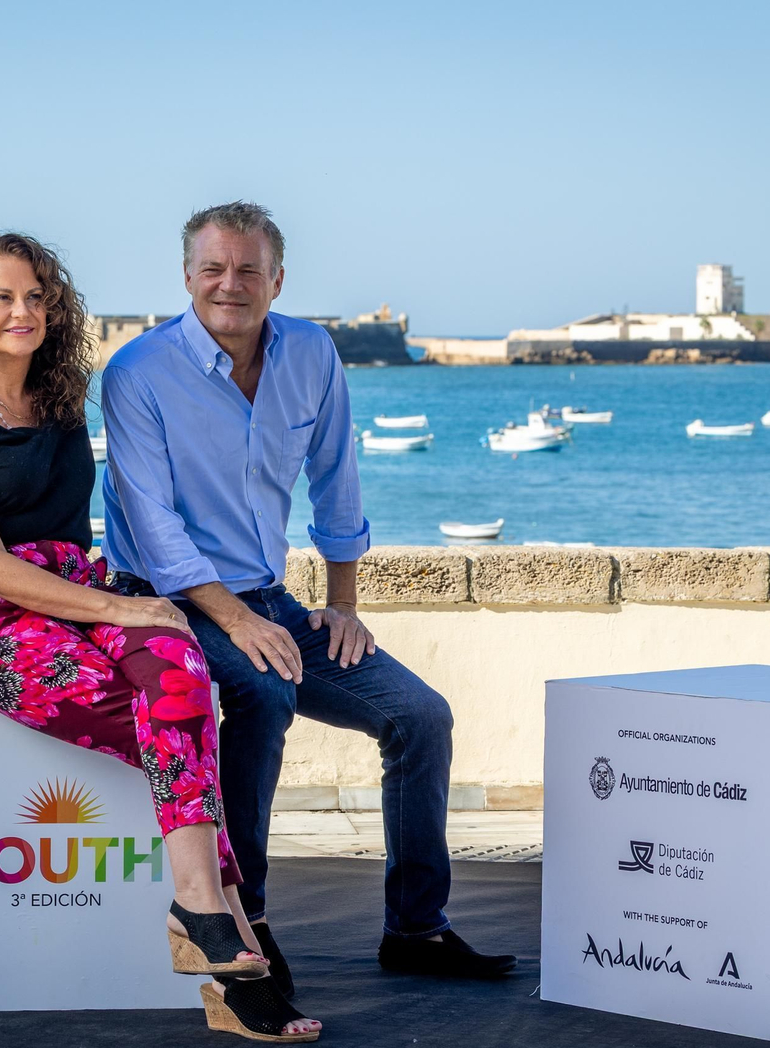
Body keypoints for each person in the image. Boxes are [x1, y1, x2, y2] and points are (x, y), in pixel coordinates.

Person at [0, 230, 320, 1042]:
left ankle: (201, 915)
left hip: (73, 592)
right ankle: (229, 922)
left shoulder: (60, 404)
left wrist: (123, 606)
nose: (23, 310)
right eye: (3, 296)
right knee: (169, 725)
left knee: (179, 671)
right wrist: (124, 607)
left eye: (35, 294)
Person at [101, 202, 517, 989]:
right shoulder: (135, 374)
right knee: (261, 691)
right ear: (186, 277)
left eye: (249, 269)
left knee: (420, 716)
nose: (232, 284)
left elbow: (336, 481)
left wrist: (344, 601)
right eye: (214, 268)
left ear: (278, 278)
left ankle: (417, 926)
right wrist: (235, 619)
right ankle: (241, 923)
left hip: (273, 600)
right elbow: (153, 529)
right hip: (171, 603)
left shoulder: (312, 352)